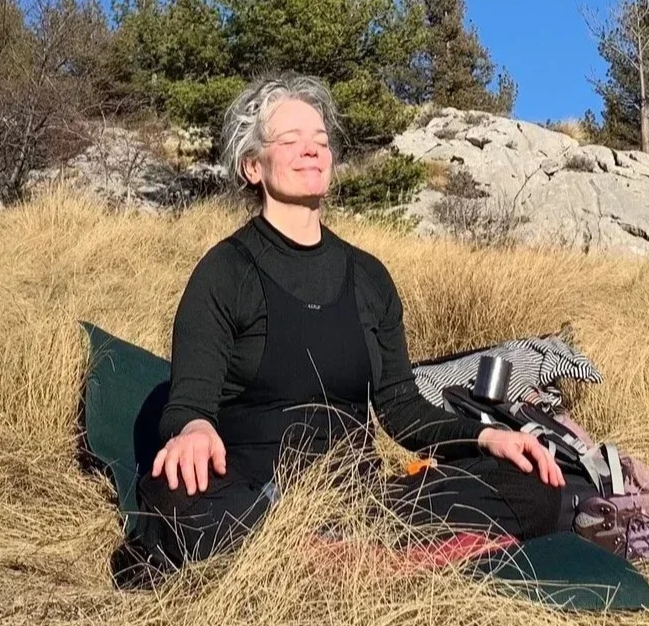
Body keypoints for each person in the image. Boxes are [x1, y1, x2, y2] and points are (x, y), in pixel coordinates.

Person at [113, 73, 570, 586]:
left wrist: (485, 438)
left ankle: (331, 560)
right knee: (178, 496)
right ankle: (362, 559)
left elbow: (402, 411)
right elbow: (188, 405)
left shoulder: (369, 277)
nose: (311, 151)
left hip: (362, 502)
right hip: (255, 496)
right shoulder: (224, 272)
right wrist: (193, 431)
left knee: (534, 486)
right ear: (252, 166)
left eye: (321, 142)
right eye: (290, 141)